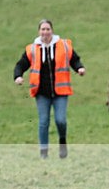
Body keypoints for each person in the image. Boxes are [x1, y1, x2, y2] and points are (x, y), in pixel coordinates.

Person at [14, 19, 85, 159]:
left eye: (48, 29)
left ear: (52, 30)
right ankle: (44, 152)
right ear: (39, 31)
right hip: (41, 92)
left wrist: (79, 68)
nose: (45, 32)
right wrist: (18, 76)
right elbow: (21, 64)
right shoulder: (32, 49)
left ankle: (62, 141)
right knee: (43, 121)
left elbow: (74, 59)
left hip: (60, 91)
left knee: (60, 120)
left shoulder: (63, 45)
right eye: (43, 29)